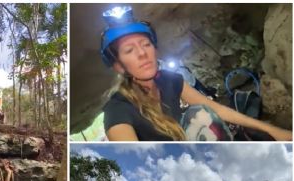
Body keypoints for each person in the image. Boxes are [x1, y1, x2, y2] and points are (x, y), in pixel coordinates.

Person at [100, 6, 292, 141]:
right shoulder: (117, 109)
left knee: (199, 113)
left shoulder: (170, 80)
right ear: (119, 66)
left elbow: (214, 108)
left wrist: (273, 130)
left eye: (145, 44)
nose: (142, 53)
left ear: (155, 48)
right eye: (129, 50)